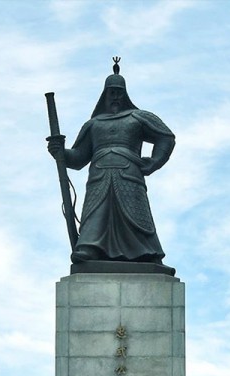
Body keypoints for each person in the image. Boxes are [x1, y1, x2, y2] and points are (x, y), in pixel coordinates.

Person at [47, 61, 175, 265]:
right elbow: (79, 157)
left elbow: (166, 137)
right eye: (111, 92)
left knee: (135, 213)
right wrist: (60, 152)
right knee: (96, 212)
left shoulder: (138, 117)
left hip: (129, 173)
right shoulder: (93, 124)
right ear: (104, 94)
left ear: (125, 94)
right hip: (99, 174)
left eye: (118, 92)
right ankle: (89, 248)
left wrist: (154, 161)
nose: (115, 96)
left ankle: (147, 253)